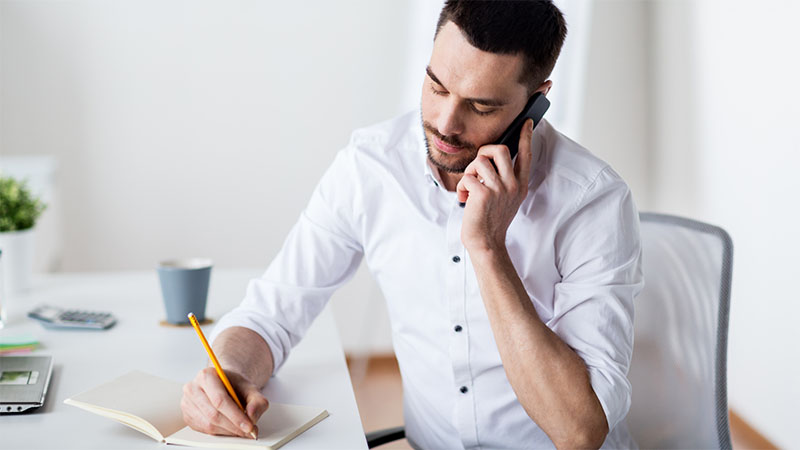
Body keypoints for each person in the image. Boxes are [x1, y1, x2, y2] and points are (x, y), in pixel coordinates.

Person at [181, 1, 643, 448]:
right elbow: (272, 313)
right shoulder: (370, 166)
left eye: (481, 107)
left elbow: (579, 433)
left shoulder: (591, 200)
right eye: (437, 86)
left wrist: (487, 249)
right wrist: (229, 376)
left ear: (535, 104)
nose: (444, 124)